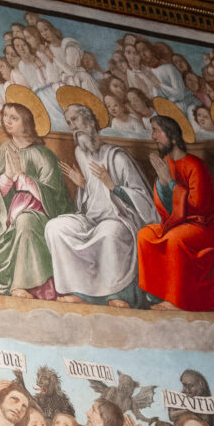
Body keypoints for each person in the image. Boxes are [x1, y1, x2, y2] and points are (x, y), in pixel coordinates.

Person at [46, 92, 156, 303]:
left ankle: (117, 294)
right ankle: (78, 292)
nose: (73, 126)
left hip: (119, 218)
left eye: (75, 119)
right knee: (55, 227)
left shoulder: (117, 156)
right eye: (69, 123)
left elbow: (142, 198)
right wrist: (82, 185)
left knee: (109, 234)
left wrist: (112, 185)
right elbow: (91, 197)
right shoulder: (80, 153)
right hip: (91, 217)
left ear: (91, 121)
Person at [137, 108, 214, 311]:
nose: (153, 137)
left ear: (171, 136)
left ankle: (175, 299)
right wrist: (162, 184)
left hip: (205, 226)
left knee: (174, 239)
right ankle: (157, 295)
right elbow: (164, 210)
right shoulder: (166, 164)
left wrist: (170, 183)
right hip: (177, 223)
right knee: (145, 234)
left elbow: (199, 205)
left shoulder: (195, 165)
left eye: (156, 131)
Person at [0, 94, 70, 298]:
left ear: (27, 122)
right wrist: (7, 177)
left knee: (26, 221)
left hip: (39, 215)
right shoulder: (6, 149)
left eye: (14, 117)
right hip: (9, 216)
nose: (7, 121)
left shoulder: (44, 155)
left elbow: (54, 197)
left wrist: (23, 178)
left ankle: (23, 286)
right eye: (5, 116)